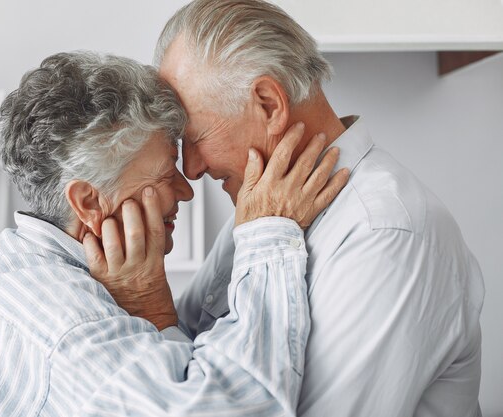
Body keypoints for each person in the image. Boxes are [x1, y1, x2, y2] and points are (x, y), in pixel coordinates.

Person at [0, 51, 348, 416]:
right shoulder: (69, 331)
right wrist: (270, 237)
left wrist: (150, 312)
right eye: (166, 169)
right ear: (89, 201)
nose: (186, 189)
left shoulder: (10, 265)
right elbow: (243, 408)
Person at [149, 1, 486, 416]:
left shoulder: (385, 233)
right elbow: (189, 370)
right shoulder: (266, 208)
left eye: (195, 138)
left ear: (269, 104)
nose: (193, 169)